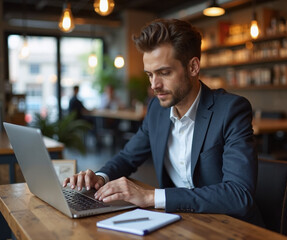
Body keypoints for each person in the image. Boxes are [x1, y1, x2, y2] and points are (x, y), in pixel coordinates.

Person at [63, 19, 263, 226]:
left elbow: (239, 195)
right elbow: (127, 157)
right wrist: (100, 177)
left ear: (193, 67)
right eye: (150, 75)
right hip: (181, 222)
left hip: (228, 226)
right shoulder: (157, 110)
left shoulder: (231, 110)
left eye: (164, 73)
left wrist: (151, 197)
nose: (154, 85)